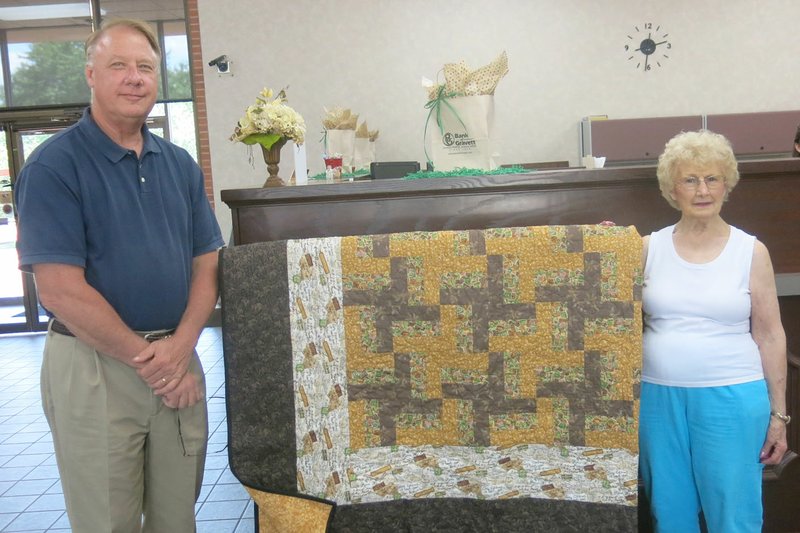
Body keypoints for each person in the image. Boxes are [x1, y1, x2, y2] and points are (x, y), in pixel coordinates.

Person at [14, 18, 224, 532]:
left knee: (177, 519)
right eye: (118, 66)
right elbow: (60, 290)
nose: (134, 77)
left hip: (176, 358)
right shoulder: (54, 168)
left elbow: (207, 262)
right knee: (108, 521)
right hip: (96, 368)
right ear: (90, 74)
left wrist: (180, 349)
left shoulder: (178, 164)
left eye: (145, 67)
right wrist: (154, 363)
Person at [639, 130, 789, 532]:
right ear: (673, 188)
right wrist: (601, 246)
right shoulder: (646, 248)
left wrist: (779, 416)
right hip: (657, 400)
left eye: (712, 179)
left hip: (732, 399)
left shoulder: (750, 251)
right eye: (690, 179)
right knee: (668, 514)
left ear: (727, 183)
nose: (703, 190)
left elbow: (771, 336)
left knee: (733, 515)